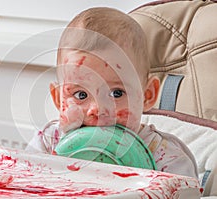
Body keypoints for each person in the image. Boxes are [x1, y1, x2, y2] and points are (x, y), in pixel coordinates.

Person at [26, 7, 198, 179]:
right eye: (81, 95)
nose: (97, 109)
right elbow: (23, 186)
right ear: (59, 99)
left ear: (148, 95)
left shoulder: (167, 157)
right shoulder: (48, 143)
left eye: (116, 93)